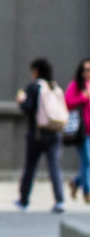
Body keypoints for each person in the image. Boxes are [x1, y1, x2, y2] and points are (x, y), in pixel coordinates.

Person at [16, 57, 67, 212]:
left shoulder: (34, 87)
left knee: (30, 167)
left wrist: (21, 101)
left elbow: (28, 107)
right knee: (54, 167)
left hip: (36, 133)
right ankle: (60, 200)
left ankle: (24, 200)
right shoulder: (54, 87)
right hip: (55, 132)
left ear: (36, 71)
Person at [66, 58, 90, 203]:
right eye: (86, 69)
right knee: (87, 161)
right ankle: (87, 192)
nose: (88, 73)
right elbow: (68, 102)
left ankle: (75, 182)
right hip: (81, 131)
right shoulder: (76, 85)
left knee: (86, 163)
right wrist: (83, 97)